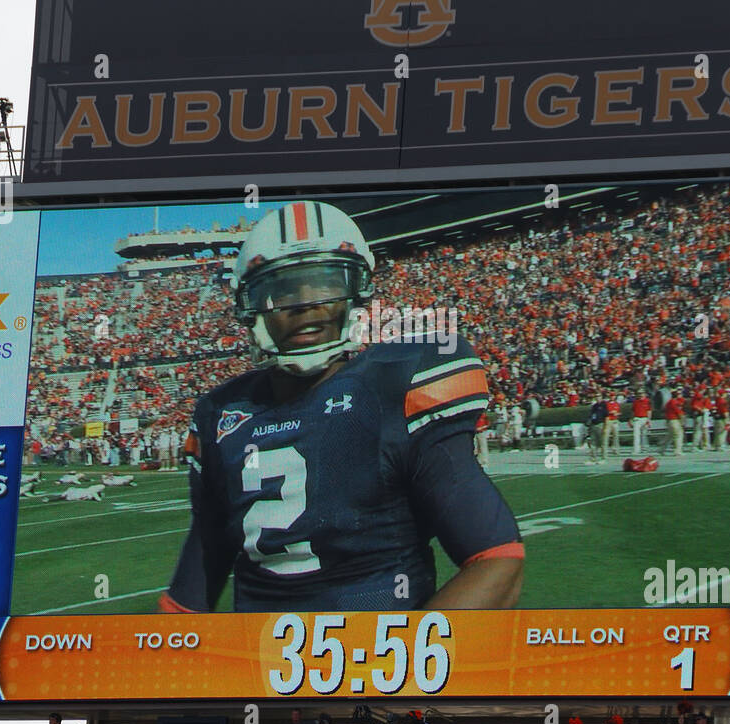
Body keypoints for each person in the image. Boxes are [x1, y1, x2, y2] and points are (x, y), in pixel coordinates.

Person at [160, 200, 523, 613]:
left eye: (325, 283)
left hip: (381, 661)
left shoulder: (397, 385)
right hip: (259, 666)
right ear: (252, 307)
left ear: (354, 294)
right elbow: (189, 594)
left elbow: (497, 561)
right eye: (283, 289)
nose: (306, 303)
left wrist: (399, 667)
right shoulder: (219, 415)